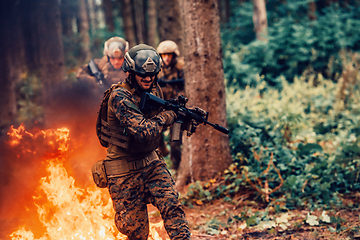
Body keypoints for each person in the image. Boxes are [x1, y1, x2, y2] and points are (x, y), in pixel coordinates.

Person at [100, 44, 191, 240]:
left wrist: (182, 119)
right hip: (123, 172)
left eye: (152, 74)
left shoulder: (155, 89)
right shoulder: (119, 96)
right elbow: (144, 131)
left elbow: (161, 121)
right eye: (143, 75)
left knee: (172, 207)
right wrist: (169, 116)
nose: (148, 79)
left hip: (151, 163)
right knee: (136, 233)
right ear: (131, 73)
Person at [156, 40, 185, 170]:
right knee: (155, 135)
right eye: (163, 55)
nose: (166, 58)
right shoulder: (157, 70)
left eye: (169, 55)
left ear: (174, 55)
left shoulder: (181, 68)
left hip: (177, 113)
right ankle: (162, 155)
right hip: (161, 112)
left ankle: (175, 168)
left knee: (175, 143)